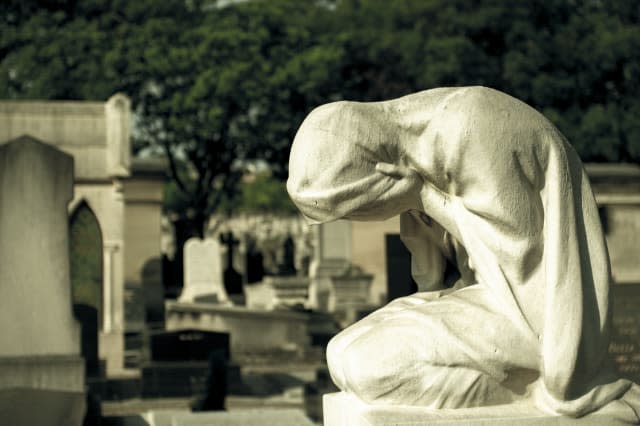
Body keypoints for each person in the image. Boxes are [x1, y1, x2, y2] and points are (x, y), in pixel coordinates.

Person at [287, 87, 638, 417]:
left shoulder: (472, 128)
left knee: (370, 368)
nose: (355, 220)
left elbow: (518, 259)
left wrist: (425, 198)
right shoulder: (417, 154)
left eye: (351, 212)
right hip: (484, 297)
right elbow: (438, 274)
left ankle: (511, 390)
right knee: (340, 352)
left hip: (532, 314)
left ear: (379, 177)